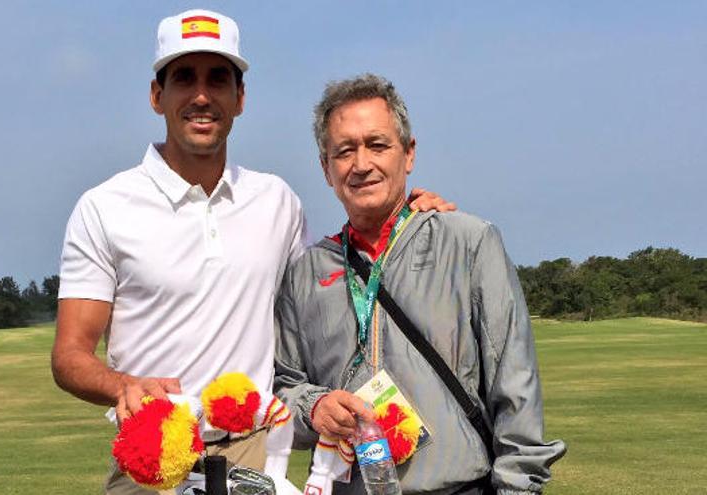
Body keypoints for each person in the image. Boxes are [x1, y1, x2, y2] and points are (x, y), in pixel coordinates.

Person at [50, 10, 454, 495]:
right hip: (155, 460)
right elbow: (70, 355)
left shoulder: (276, 200)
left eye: (218, 79)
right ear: (158, 96)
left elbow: (334, 285)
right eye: (184, 78)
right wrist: (123, 386)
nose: (202, 96)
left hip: (260, 455)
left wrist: (401, 216)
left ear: (240, 98)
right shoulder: (104, 207)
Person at [274, 73, 566, 495]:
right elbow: (283, 387)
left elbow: (515, 391)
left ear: (408, 154)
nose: (361, 164)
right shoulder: (307, 270)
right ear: (325, 168)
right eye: (344, 151)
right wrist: (314, 406)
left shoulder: (469, 242)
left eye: (377, 145)